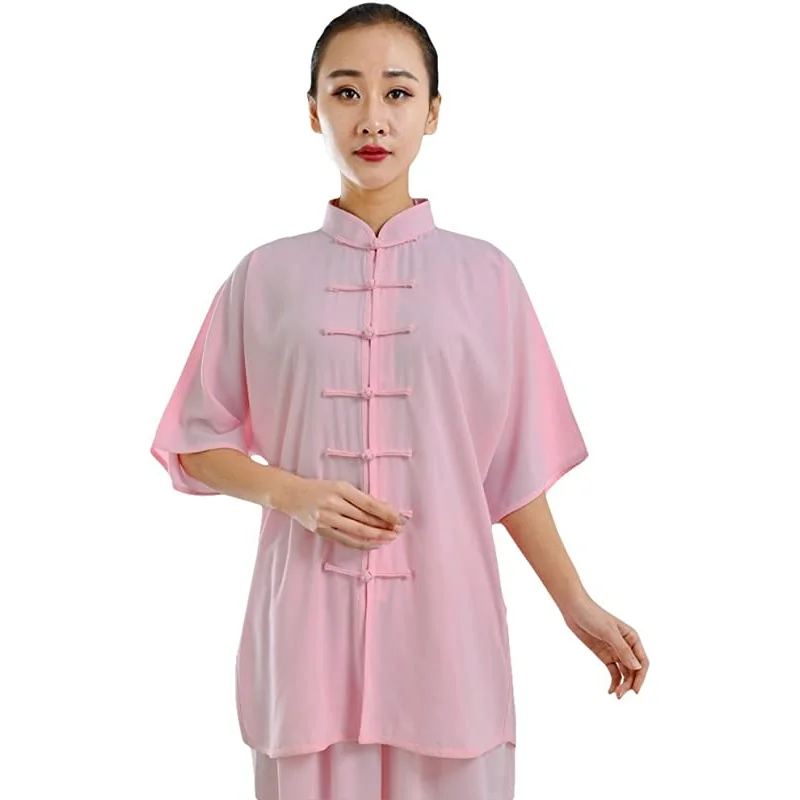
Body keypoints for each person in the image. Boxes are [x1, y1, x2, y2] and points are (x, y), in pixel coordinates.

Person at [150, 3, 649, 798]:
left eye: (398, 92)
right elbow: (194, 440)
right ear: (313, 109)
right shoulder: (263, 276)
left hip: (448, 640)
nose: (372, 119)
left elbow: (510, 474)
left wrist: (575, 604)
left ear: (434, 111)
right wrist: (293, 494)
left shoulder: (488, 278)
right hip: (305, 641)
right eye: (346, 92)